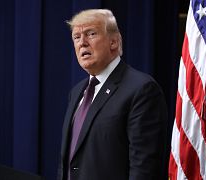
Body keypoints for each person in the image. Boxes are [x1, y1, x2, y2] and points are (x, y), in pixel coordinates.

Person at [58, 9, 168, 180]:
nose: (82, 43)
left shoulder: (141, 89)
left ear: (114, 42)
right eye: (76, 37)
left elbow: (144, 169)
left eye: (91, 34)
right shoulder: (77, 92)